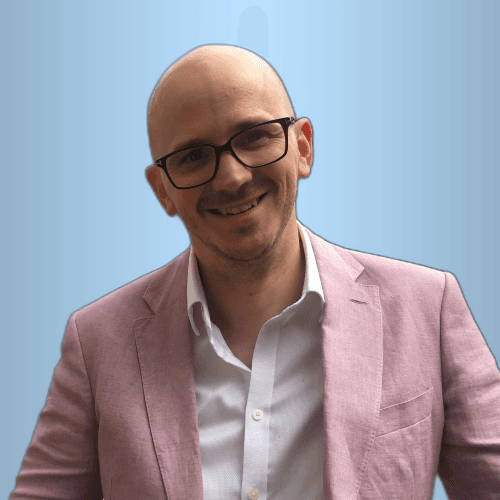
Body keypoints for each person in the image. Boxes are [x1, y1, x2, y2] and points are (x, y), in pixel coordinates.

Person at [10, 44, 500, 500]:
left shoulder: (427, 308)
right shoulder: (97, 342)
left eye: (255, 136)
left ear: (303, 147)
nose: (234, 176)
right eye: (194, 155)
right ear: (162, 189)